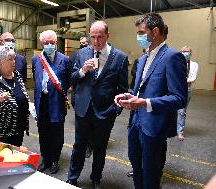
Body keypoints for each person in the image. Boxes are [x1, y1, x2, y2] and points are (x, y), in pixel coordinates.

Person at [115, 13, 187, 189]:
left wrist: (145, 103)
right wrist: (127, 95)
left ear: (155, 32)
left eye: (141, 32)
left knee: (151, 175)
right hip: (136, 123)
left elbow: (179, 98)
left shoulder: (172, 57)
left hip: (154, 127)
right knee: (137, 169)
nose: (138, 37)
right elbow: (139, 89)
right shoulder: (142, 59)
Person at [67, 20, 128, 188]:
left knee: (100, 149)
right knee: (79, 146)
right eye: (92, 37)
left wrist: (115, 109)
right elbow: (72, 80)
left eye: (100, 37)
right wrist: (82, 71)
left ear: (108, 35)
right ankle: (72, 177)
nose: (96, 41)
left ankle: (96, 178)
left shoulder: (120, 58)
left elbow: (123, 89)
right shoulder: (82, 54)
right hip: (83, 110)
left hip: (105, 112)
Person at [32, 30, 72, 174]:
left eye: (52, 42)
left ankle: (55, 159)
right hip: (41, 103)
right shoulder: (36, 59)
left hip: (57, 103)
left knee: (57, 133)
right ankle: (46, 159)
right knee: (43, 133)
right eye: (46, 43)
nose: (49, 45)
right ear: (42, 43)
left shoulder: (65, 60)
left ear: (56, 43)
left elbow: (68, 81)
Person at [177, 46, 198, 141]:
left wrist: (180, 80)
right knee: (172, 109)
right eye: (183, 51)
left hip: (186, 90)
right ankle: (172, 128)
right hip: (175, 90)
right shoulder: (176, 63)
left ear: (190, 53)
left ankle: (180, 132)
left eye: (187, 51)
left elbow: (192, 79)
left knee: (181, 111)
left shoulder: (194, 65)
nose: (185, 53)